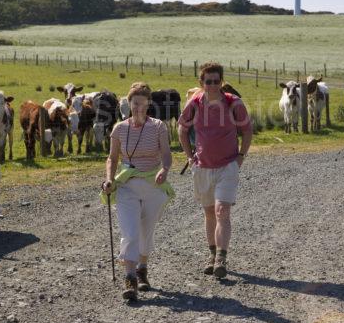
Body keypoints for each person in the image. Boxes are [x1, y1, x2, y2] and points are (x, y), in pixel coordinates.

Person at [178, 62, 253, 278]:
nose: (212, 85)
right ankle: (212, 255)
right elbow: (182, 130)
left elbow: (247, 131)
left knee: (222, 211)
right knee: (209, 212)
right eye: (208, 81)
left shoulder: (233, 103)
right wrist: (189, 157)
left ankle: (221, 258)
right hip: (202, 167)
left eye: (216, 81)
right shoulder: (194, 104)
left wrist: (240, 156)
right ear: (201, 83)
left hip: (228, 165)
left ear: (221, 81)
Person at [101, 82, 173, 301]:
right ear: (129, 104)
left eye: (142, 104)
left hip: (153, 184)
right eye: (135, 104)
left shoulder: (159, 126)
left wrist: (165, 169)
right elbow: (112, 158)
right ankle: (130, 277)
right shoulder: (119, 128)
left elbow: (166, 154)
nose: (138, 108)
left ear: (148, 104)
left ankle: (143, 269)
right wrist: (109, 179)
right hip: (128, 185)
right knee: (130, 233)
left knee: (146, 231)